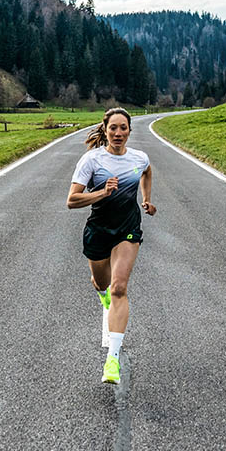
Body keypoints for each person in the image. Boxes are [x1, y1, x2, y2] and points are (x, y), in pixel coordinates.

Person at [66, 107, 156, 384]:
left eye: (123, 128)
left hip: (128, 229)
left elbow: (147, 173)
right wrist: (103, 192)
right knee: (101, 283)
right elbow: (72, 200)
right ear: (104, 130)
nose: (118, 133)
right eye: (113, 128)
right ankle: (101, 292)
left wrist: (147, 199)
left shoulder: (139, 158)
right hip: (99, 231)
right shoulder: (92, 160)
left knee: (119, 287)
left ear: (130, 130)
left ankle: (112, 360)